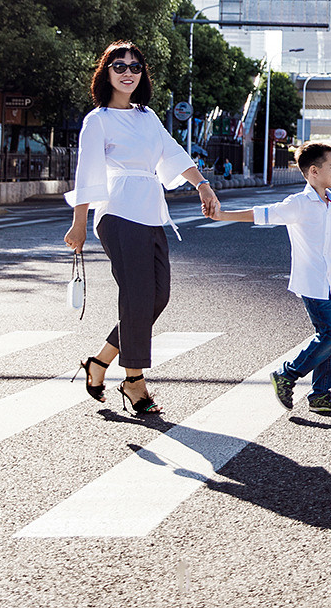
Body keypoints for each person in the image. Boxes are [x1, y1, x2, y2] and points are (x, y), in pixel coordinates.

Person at [63, 41, 220, 416]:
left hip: (151, 212)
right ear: (107, 73)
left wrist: (203, 184)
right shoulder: (97, 120)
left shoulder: (147, 116)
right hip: (118, 213)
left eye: (135, 66)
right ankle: (134, 380)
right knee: (136, 297)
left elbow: (173, 152)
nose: (128, 72)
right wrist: (79, 224)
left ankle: (99, 362)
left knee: (157, 297)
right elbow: (86, 173)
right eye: (119, 66)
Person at [214, 142, 331, 413]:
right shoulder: (299, 204)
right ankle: (287, 375)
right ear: (313, 171)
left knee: (328, 337)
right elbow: (262, 215)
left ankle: (321, 394)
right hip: (313, 282)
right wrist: (222, 214)